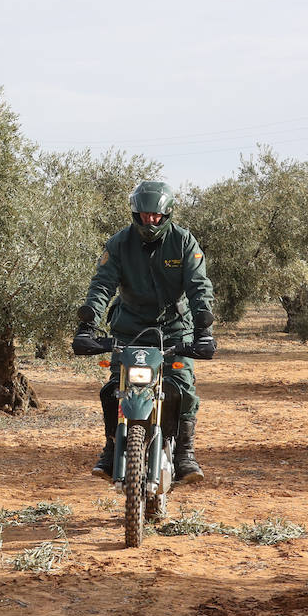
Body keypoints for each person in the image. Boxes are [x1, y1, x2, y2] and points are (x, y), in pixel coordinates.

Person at [74, 180, 217, 483]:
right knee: (115, 388)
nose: (149, 221)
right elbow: (102, 285)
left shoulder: (183, 242)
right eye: (143, 215)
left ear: (166, 215)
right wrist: (88, 324)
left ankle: (185, 454)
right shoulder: (119, 244)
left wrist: (204, 329)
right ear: (134, 213)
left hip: (176, 328)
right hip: (129, 328)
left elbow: (198, 286)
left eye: (156, 216)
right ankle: (112, 448)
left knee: (182, 387)